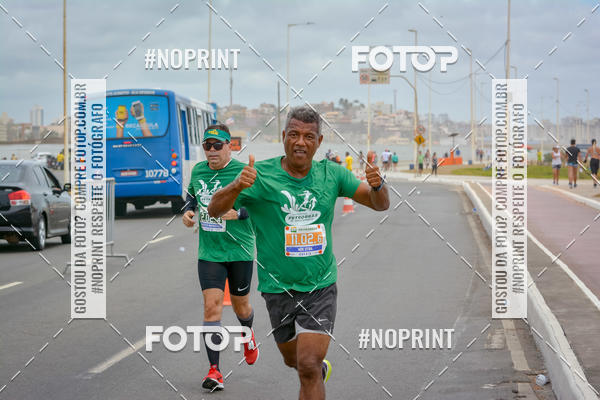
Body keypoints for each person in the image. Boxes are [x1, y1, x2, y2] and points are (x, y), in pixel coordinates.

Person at [208, 106, 390, 400]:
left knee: (307, 365)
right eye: (294, 134)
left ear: (319, 142)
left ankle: (314, 369)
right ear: (284, 137)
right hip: (277, 289)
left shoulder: (332, 174)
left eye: (308, 136)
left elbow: (379, 204)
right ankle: (316, 369)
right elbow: (215, 209)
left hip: (320, 286)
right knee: (293, 360)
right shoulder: (260, 175)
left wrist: (378, 185)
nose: (300, 142)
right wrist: (237, 186)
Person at [182, 124, 259, 391]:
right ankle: (214, 371)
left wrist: (238, 214)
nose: (212, 150)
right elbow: (191, 197)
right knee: (211, 307)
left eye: (217, 145)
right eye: (207, 145)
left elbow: (259, 206)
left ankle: (248, 335)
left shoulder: (243, 171)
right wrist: (188, 212)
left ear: (229, 146)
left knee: (241, 308)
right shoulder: (198, 171)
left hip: (240, 251)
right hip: (210, 252)